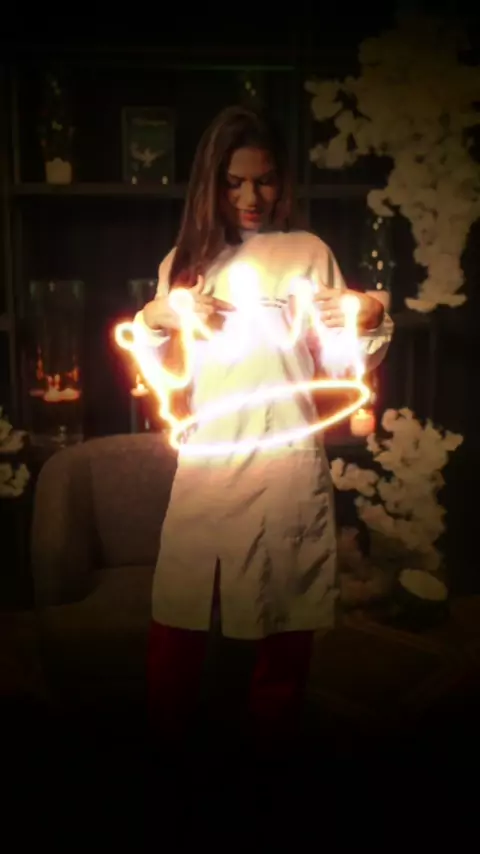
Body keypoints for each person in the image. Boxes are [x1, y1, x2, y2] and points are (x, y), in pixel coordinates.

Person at [136, 105, 393, 766]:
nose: (251, 197)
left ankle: (273, 762)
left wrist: (368, 315)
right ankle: (166, 758)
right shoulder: (185, 262)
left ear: (283, 181)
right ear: (211, 184)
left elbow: (347, 364)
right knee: (180, 614)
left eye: (265, 180)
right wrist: (158, 316)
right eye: (234, 182)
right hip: (210, 462)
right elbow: (156, 368)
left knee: (285, 618)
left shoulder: (310, 254)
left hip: (286, 461)